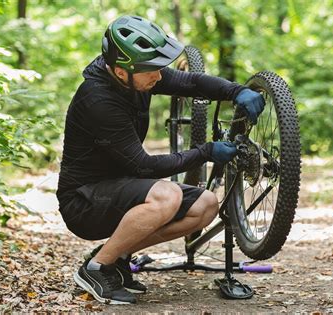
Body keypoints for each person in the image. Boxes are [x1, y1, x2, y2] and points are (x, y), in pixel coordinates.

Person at [56, 15, 265, 304]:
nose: (159, 76)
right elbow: (143, 166)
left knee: (205, 206)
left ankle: (116, 257)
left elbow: (191, 82)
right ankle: (95, 269)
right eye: (151, 70)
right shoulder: (98, 100)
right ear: (120, 71)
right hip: (83, 201)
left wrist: (235, 91)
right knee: (166, 196)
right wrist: (205, 153)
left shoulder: (137, 77)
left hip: (120, 186)